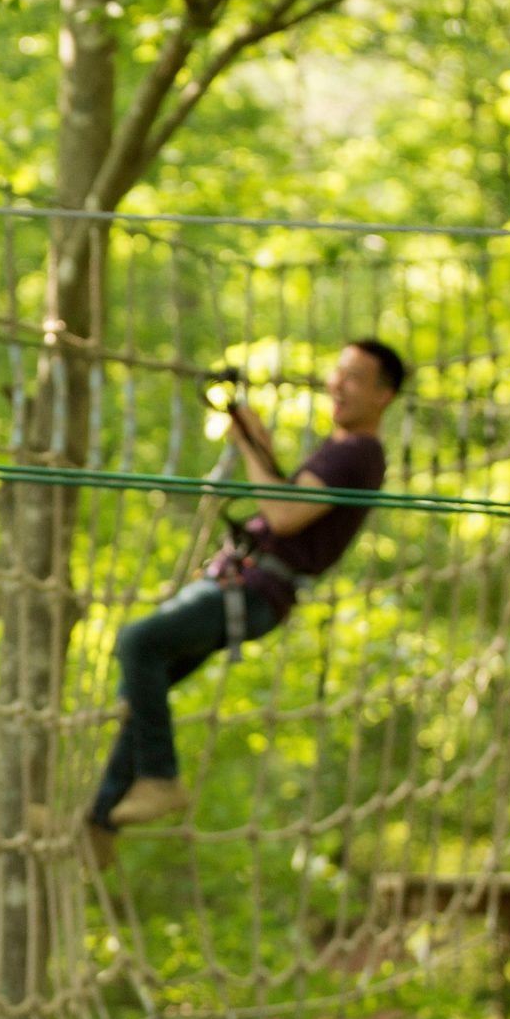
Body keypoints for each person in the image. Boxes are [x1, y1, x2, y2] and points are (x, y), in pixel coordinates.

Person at [86, 338, 405, 862]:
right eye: (337, 373)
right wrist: (254, 439)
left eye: (354, 378)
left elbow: (282, 514)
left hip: (254, 587)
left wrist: (252, 446)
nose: (337, 385)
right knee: (146, 685)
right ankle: (99, 821)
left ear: (384, 395)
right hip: (250, 582)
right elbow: (290, 502)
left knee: (138, 642)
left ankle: (160, 777)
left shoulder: (358, 453)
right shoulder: (343, 452)